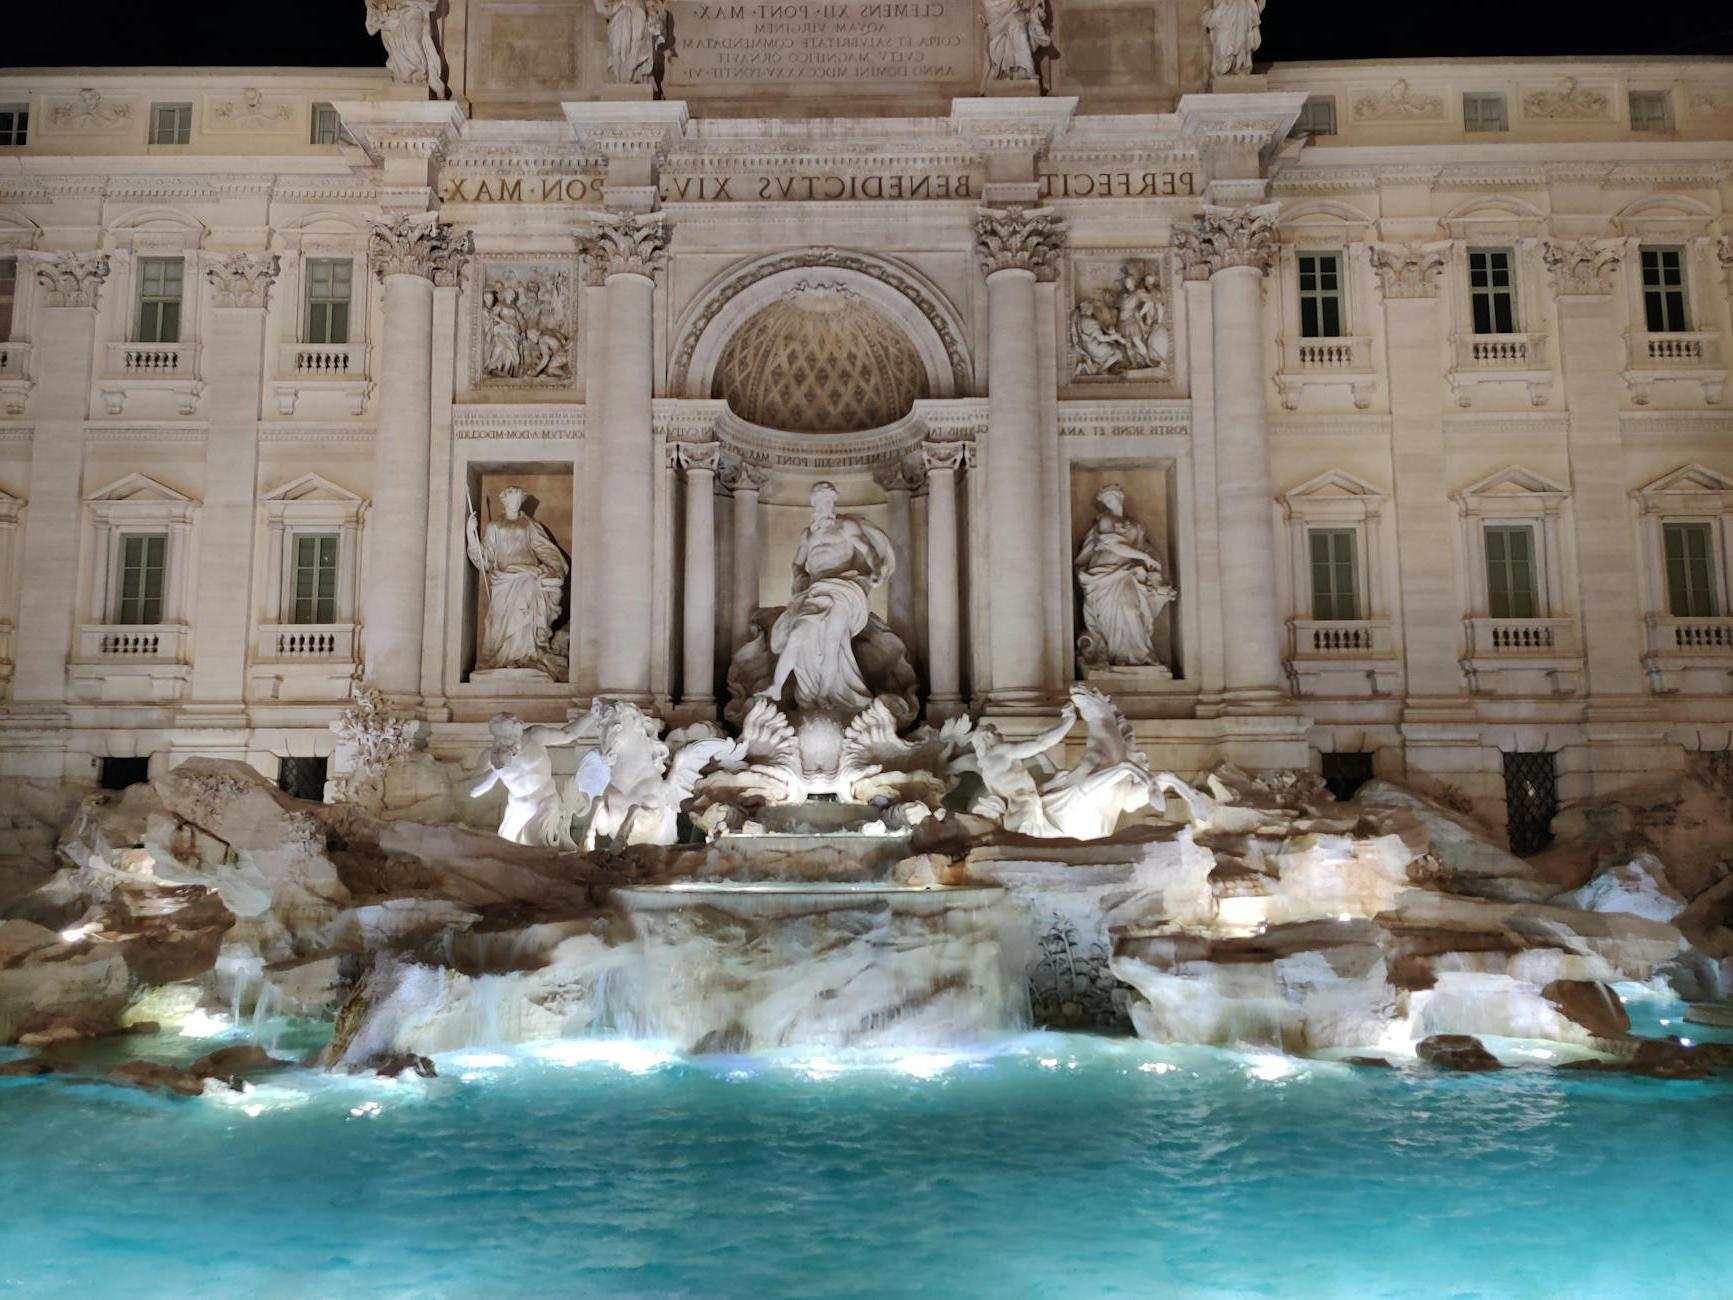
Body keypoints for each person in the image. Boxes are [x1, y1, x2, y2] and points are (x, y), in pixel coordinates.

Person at [758, 481, 897, 717]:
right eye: (821, 501)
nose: (825, 505)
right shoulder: (807, 534)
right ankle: (776, 687)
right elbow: (797, 563)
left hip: (842, 588)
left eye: (829, 500)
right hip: (815, 590)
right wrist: (800, 576)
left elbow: (868, 551)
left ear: (834, 502)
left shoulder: (845, 526)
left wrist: (875, 570)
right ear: (814, 503)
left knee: (833, 642)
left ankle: (824, 695)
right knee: (797, 634)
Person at [466, 486, 569, 677]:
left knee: (528, 602)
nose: (515, 504)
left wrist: (555, 569)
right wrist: (471, 536)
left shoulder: (529, 525)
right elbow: (485, 557)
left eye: (518, 500)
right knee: (499, 620)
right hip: (503, 580)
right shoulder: (494, 526)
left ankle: (527, 655)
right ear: (504, 502)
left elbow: (544, 549)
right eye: (511, 500)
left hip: (528, 575)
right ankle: (503, 657)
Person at [1074, 484, 1176, 666]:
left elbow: (1145, 547)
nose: (1109, 502)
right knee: (1116, 613)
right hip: (1106, 573)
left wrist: (1150, 559)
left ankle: (1140, 655)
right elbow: (1115, 546)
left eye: (1112, 498)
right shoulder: (1105, 520)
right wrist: (1143, 556)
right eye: (1106, 500)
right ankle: (1119, 655)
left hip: (1129, 573)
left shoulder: (1135, 525)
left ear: (1120, 497)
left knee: (1131, 609)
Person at [468, 713, 587, 848]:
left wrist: (591, 716)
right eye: (500, 738)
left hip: (545, 802)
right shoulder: (491, 755)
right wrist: (496, 770)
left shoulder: (535, 737)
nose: (505, 741)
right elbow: (473, 791)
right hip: (518, 808)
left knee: (535, 844)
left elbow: (568, 734)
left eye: (509, 736)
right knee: (503, 848)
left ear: (518, 730)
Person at [365, 0, 447, 98]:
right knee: (398, 41)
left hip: (413, 11)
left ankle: (419, 76)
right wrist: (382, 15)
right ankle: (409, 80)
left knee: (412, 40)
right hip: (393, 20)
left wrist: (404, 3)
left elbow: (432, 2)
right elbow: (371, 23)